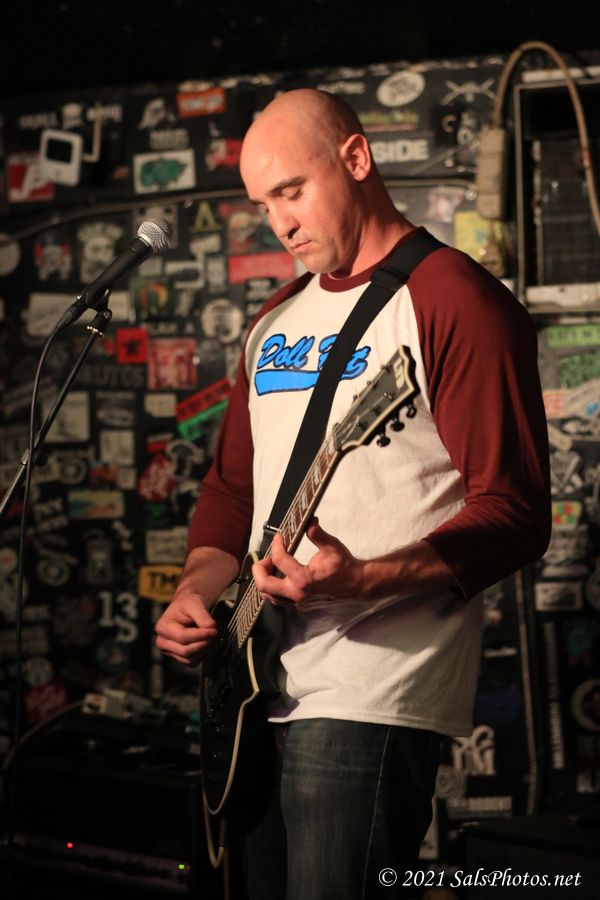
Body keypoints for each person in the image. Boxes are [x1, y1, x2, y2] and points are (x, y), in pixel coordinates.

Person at [155, 88, 551, 899]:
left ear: (358, 158)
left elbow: (514, 514)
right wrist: (197, 588)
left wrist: (364, 579)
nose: (280, 223)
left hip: (372, 686)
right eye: (263, 205)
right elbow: (232, 490)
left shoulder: (454, 298)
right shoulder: (274, 319)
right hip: (253, 681)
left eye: (292, 192)